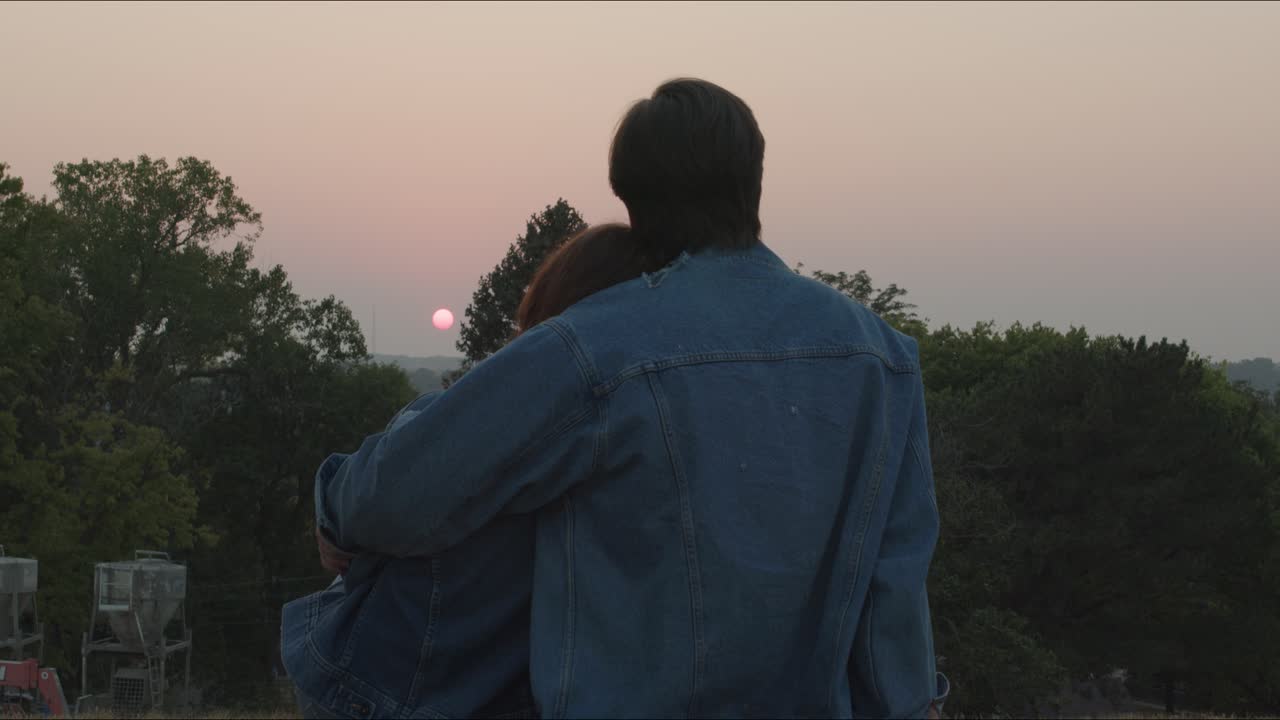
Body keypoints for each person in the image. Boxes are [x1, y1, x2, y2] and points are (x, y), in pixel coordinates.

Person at [314, 78, 948, 718]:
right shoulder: (883, 359)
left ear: (630, 195)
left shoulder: (591, 350)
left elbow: (401, 493)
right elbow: (893, 610)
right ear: (752, 178)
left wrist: (334, 503)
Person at [283, 224, 645, 720]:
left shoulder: (500, 421)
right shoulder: (639, 435)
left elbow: (372, 503)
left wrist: (331, 505)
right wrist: (335, 508)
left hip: (389, 691)